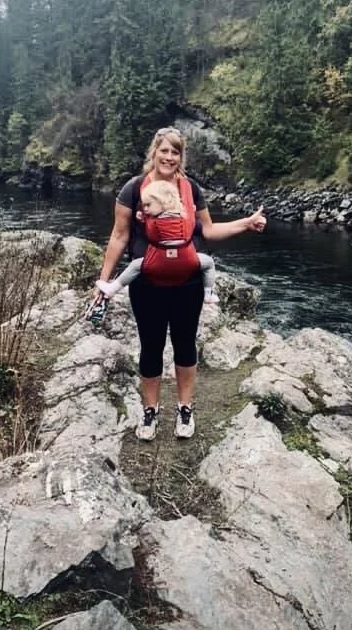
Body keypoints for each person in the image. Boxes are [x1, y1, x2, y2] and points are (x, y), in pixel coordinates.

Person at [94, 126, 266, 442]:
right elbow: (119, 235)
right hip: (146, 284)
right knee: (151, 347)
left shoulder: (190, 189)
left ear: (181, 157)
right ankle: (150, 410)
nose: (169, 157)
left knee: (185, 345)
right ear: (154, 152)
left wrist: (246, 223)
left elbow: (208, 230)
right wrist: (103, 282)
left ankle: (185, 408)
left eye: (175, 152)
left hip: (187, 284)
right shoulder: (133, 189)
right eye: (164, 150)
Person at [95, 178, 220, 304]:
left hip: (159, 261)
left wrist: (142, 218)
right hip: (185, 261)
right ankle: (208, 293)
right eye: (144, 205)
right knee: (209, 263)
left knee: (135, 265)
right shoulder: (186, 219)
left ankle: (113, 288)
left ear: (162, 203)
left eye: (148, 205)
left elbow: (147, 231)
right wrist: (191, 212)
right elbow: (198, 227)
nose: (145, 209)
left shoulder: (153, 222)